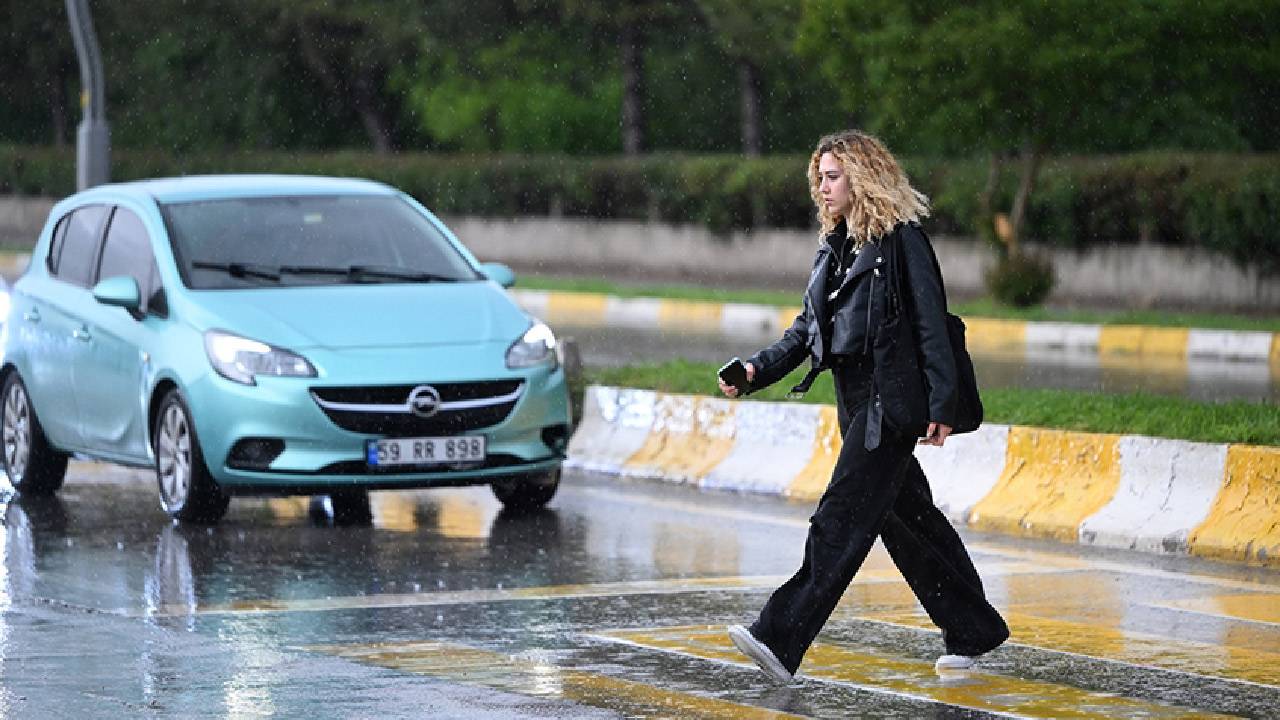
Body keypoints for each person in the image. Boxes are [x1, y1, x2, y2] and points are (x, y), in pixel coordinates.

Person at [719, 130, 1009, 683]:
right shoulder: (835, 247)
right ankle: (973, 627)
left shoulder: (903, 242)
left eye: (833, 177)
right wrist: (756, 370)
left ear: (863, 178)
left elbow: (932, 324)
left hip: (890, 400)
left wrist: (942, 402)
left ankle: (779, 636)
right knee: (910, 524)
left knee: (842, 516)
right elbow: (807, 331)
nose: (822, 189)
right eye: (820, 178)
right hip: (853, 400)